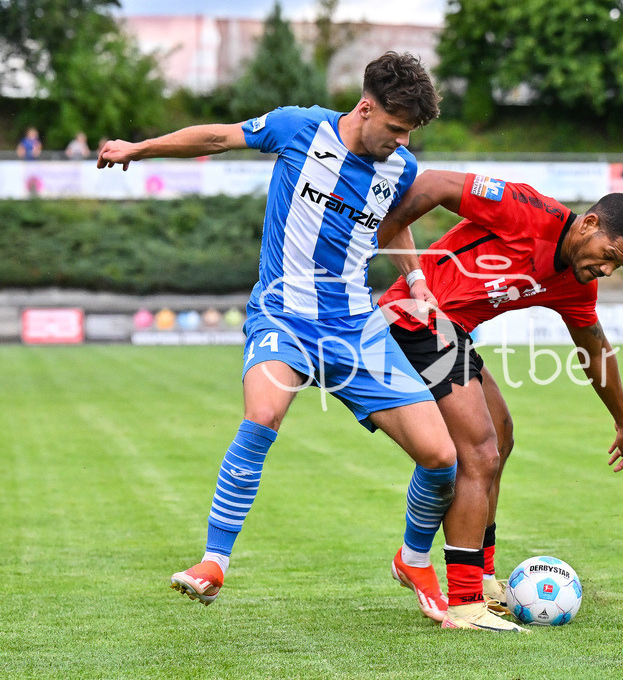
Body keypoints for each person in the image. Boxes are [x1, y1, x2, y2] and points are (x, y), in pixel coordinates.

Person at [98, 52, 522, 633]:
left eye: (409, 134)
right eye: (395, 129)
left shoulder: (397, 168)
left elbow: (394, 224)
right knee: (262, 415)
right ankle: (214, 562)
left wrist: (419, 281)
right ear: (365, 108)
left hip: (355, 327)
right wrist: (137, 148)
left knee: (442, 457)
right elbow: (218, 137)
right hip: (285, 314)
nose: (400, 143)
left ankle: (413, 559)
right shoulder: (301, 127)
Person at [374, 170, 623, 620]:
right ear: (590, 224)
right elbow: (438, 184)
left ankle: (479, 576)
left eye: (619, 267)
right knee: (479, 451)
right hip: (414, 318)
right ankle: (465, 602)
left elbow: (595, 349)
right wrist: (382, 237)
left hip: (449, 333)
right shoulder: (525, 209)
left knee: (500, 436)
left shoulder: (577, 283)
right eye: (609, 256)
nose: (607, 269)